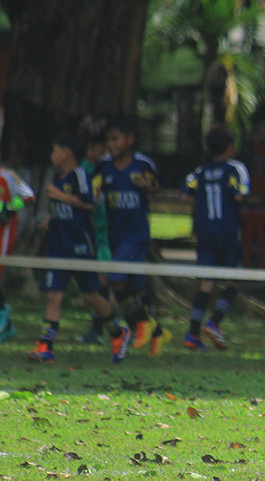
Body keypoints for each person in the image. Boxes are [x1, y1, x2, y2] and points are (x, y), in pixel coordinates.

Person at [29, 133, 131, 364]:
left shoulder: (80, 174)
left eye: (55, 151)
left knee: (90, 294)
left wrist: (62, 196)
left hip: (79, 244)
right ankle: (45, 346)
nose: (52, 156)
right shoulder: (57, 177)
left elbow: (88, 203)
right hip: (58, 244)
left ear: (66, 154)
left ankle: (118, 333)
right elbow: (62, 209)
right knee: (54, 294)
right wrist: (51, 217)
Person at [97, 117, 169, 357]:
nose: (111, 144)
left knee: (116, 278)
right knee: (135, 288)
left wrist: (149, 187)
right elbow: (93, 189)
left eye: (115, 139)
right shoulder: (104, 166)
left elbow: (156, 187)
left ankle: (143, 324)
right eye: (108, 140)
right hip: (114, 234)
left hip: (136, 234)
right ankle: (155, 332)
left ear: (129, 139)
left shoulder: (143, 164)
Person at [181, 128, 251, 352]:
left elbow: (185, 196)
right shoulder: (235, 168)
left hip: (205, 232)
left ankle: (192, 333)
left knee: (207, 281)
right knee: (234, 279)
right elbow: (240, 194)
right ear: (230, 148)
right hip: (227, 231)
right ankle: (215, 322)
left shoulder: (199, 171)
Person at [77, 123, 114, 345]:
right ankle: (103, 329)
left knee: (102, 282)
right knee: (96, 284)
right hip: (88, 232)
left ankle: (106, 328)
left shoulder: (109, 168)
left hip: (108, 232)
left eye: (96, 147)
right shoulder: (81, 169)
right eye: (89, 148)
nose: (92, 152)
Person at [0, 155, 37, 344]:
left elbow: (29, 196)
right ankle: (5, 321)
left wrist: (10, 207)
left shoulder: (7, 176)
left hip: (3, 235)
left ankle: (4, 319)